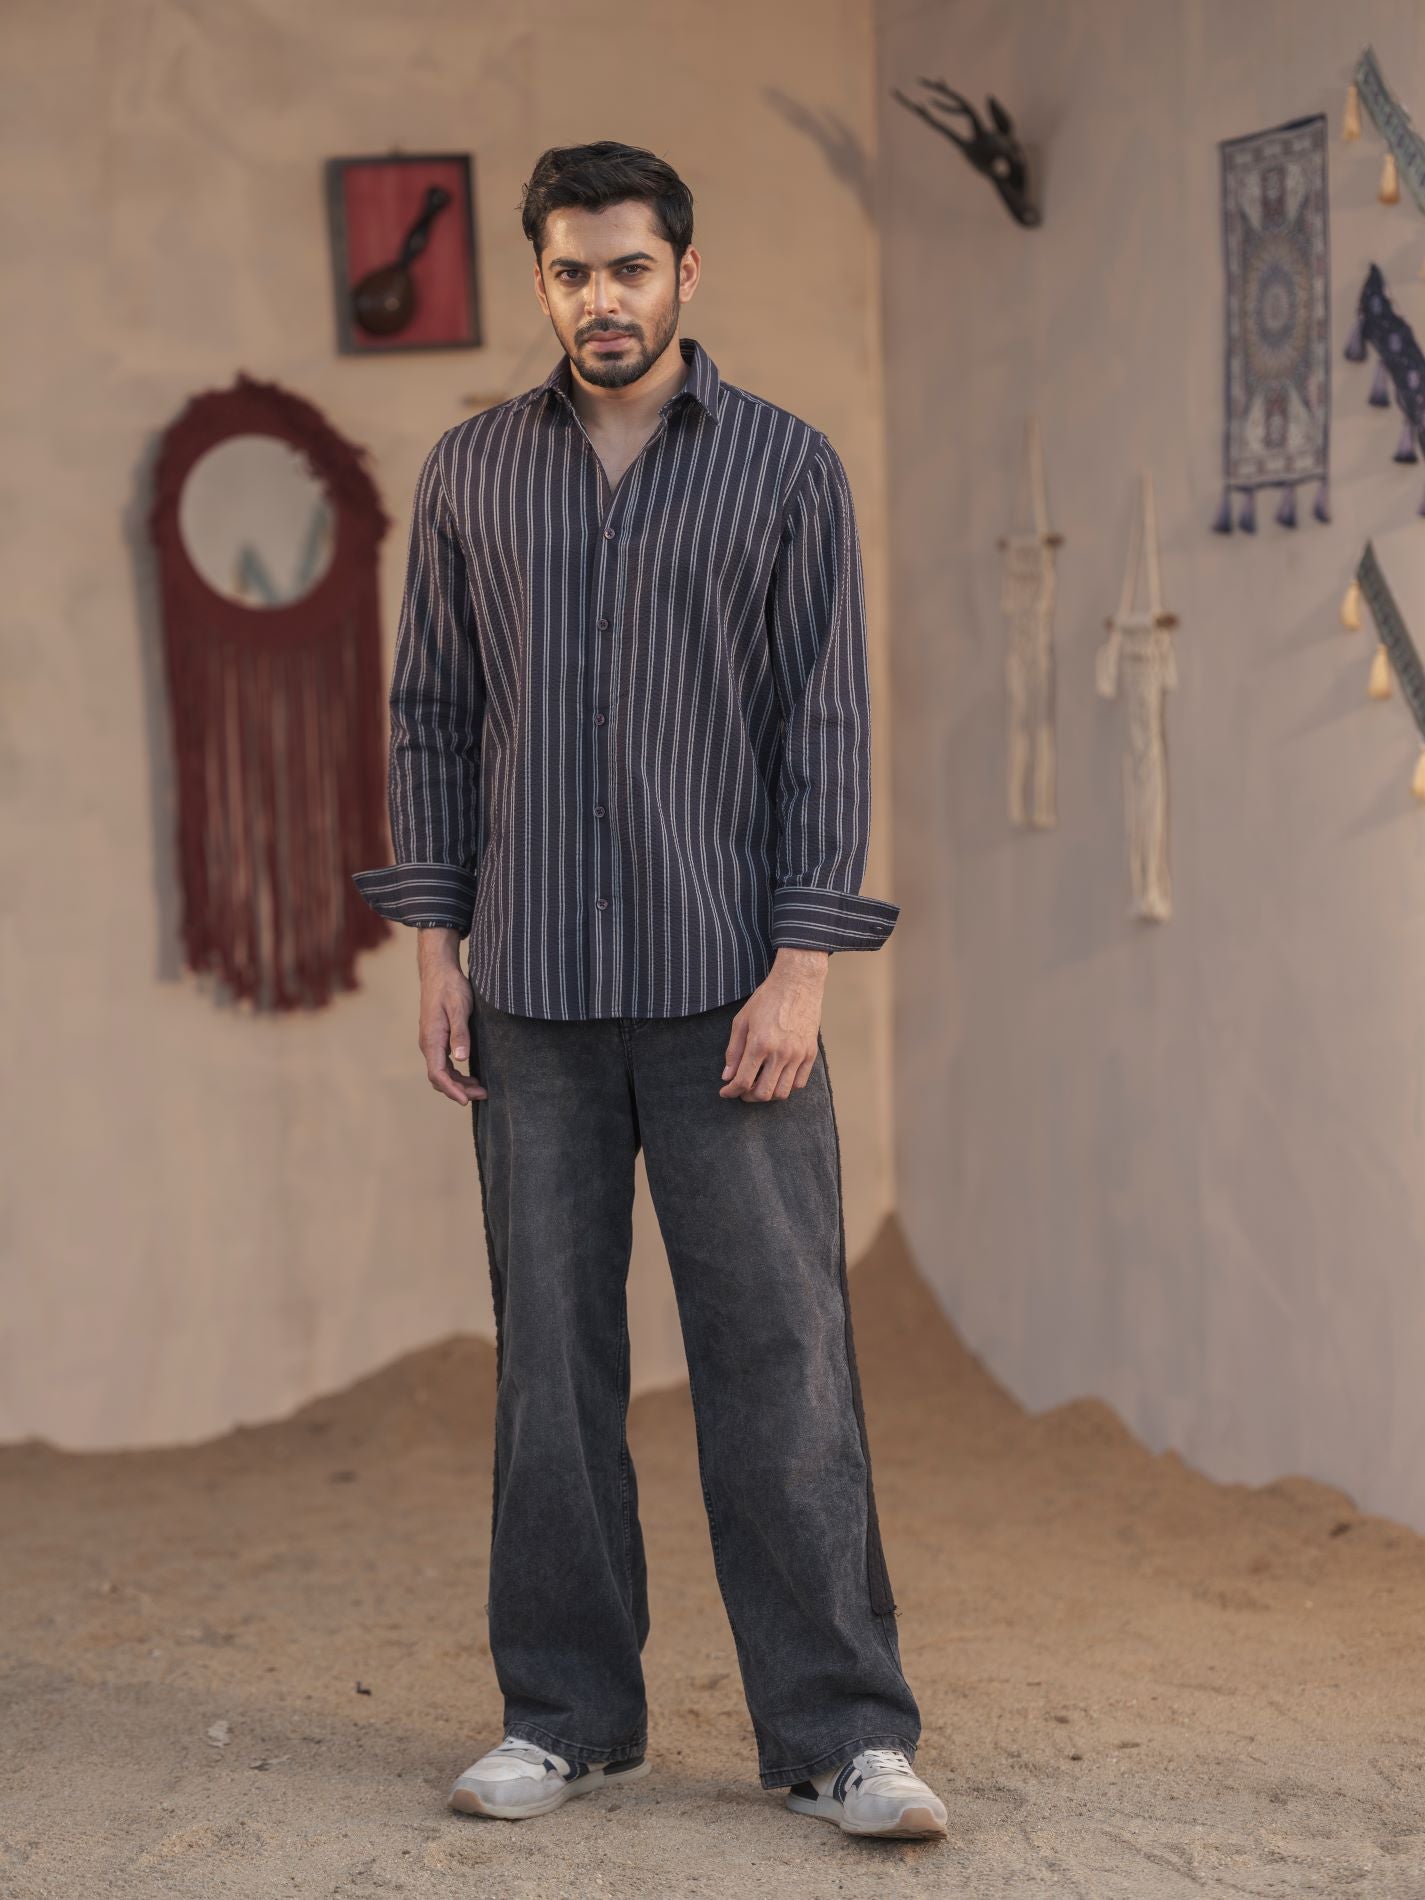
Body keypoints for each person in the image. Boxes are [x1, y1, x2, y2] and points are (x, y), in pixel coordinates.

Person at [353, 140, 946, 1844]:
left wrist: (800, 970)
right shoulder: (472, 472)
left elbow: (822, 726)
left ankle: (842, 1737)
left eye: (627, 267)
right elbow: (431, 717)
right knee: (550, 1373)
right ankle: (564, 1719)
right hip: (531, 992)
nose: (599, 298)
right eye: (570, 271)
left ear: (687, 273)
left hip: (727, 993)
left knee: (782, 1364)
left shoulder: (784, 468)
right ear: (540, 284)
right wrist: (437, 950)